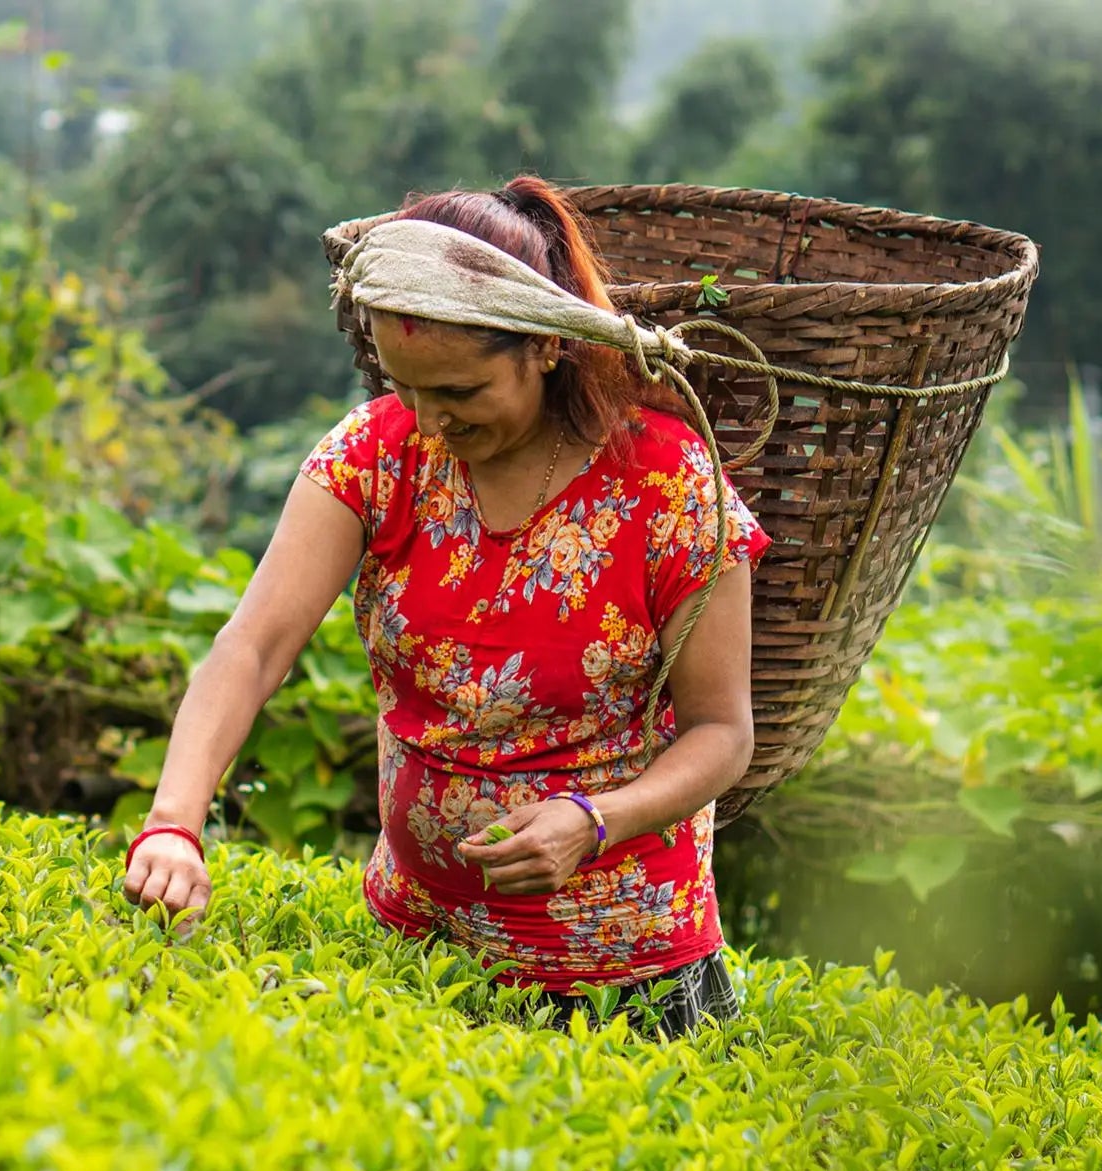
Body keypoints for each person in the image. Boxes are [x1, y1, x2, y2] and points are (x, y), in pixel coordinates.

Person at [122, 176, 771, 1039]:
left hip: (619, 976)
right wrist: (174, 824)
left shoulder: (668, 483)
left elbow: (725, 733)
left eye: (460, 394)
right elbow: (252, 648)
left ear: (544, 347)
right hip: (414, 938)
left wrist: (592, 820)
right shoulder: (377, 454)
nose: (429, 421)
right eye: (407, 386)